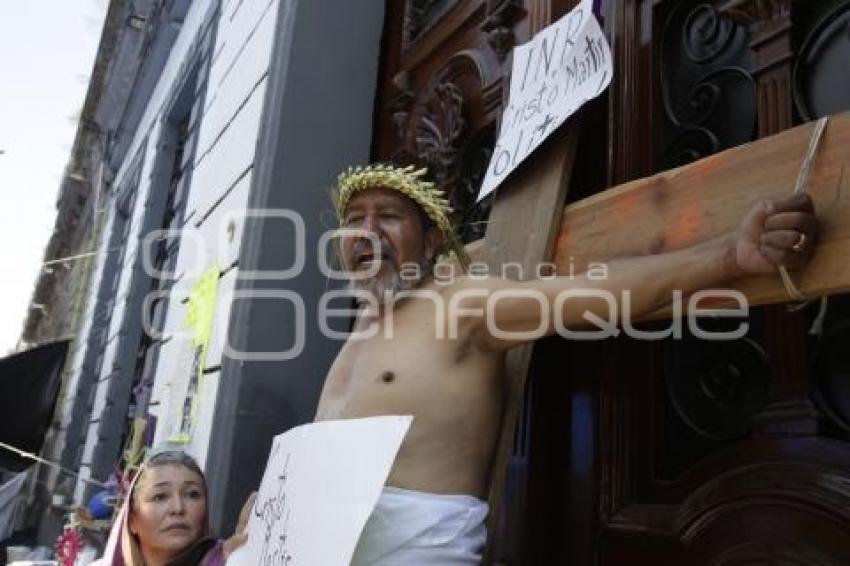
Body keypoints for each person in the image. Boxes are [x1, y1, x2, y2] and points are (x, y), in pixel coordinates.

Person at [315, 164, 820, 564]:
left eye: (387, 216)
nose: (366, 231)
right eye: (354, 219)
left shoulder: (459, 305)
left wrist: (727, 256)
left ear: (429, 243)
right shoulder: (357, 333)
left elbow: (587, 294)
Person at [92, 450, 253, 566]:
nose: (178, 508)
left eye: (192, 494)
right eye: (160, 497)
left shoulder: (231, 559)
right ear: (132, 519)